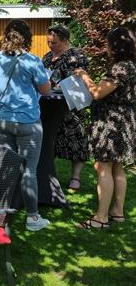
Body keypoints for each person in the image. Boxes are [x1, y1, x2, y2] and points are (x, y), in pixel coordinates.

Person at [0, 19, 52, 232]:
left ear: (6, 35)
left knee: (2, 168)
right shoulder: (32, 60)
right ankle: (32, 218)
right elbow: (45, 90)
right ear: (27, 37)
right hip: (28, 121)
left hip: (1, 119)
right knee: (28, 171)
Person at [75, 27, 135, 229]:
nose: (107, 47)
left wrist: (84, 76)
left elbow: (97, 93)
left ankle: (100, 218)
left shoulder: (120, 68)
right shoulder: (131, 66)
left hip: (111, 124)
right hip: (124, 122)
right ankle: (117, 212)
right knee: (117, 166)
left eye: (109, 44)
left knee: (104, 167)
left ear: (116, 46)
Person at [42, 24, 90, 191]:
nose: (50, 45)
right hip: (50, 104)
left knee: (76, 139)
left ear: (65, 40)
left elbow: (82, 77)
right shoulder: (47, 57)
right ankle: (49, 173)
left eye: (54, 42)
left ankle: (75, 177)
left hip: (71, 104)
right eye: (48, 42)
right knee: (50, 139)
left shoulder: (77, 56)